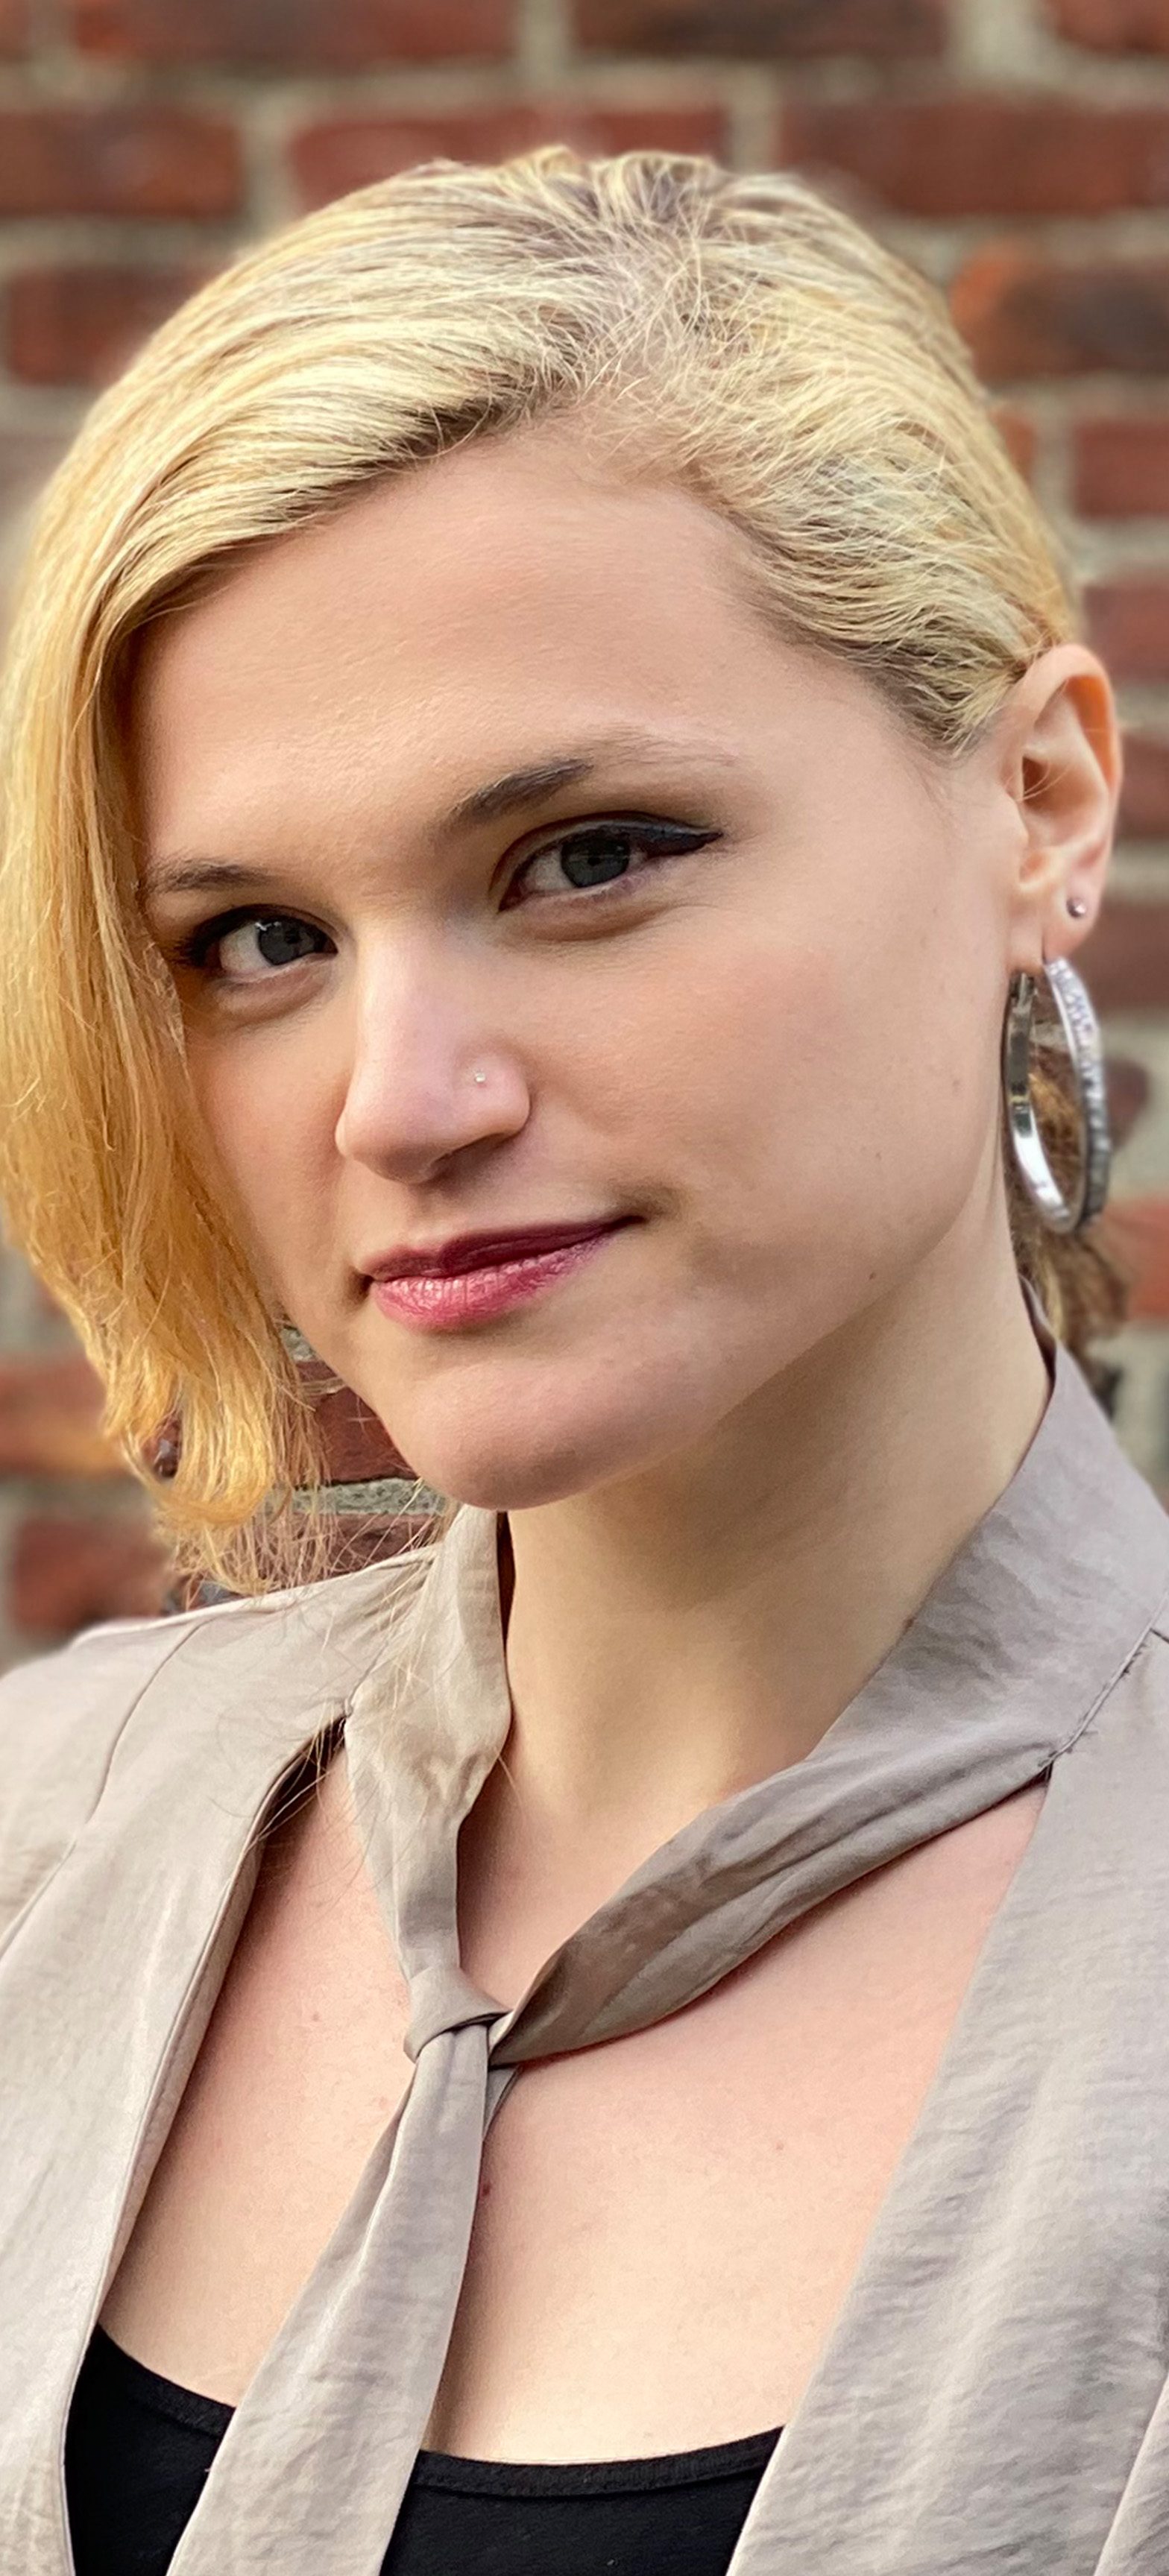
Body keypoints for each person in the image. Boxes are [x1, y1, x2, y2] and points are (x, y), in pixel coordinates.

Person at [0, 143, 1164, 2576]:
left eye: (592, 857)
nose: (402, 1104)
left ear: (1041, 806)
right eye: (256, 941)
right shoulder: (43, 1833)